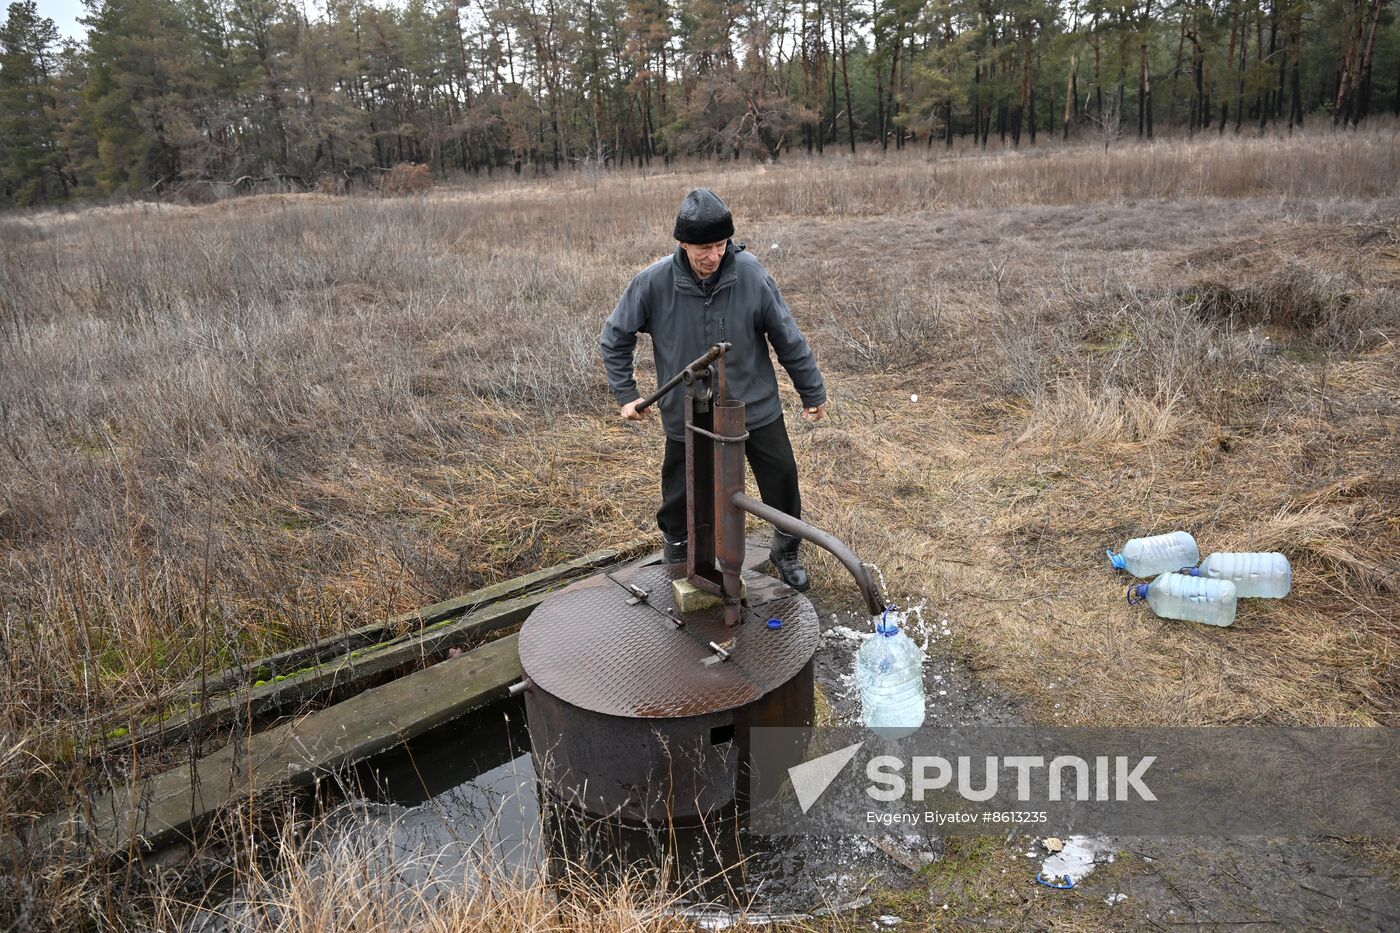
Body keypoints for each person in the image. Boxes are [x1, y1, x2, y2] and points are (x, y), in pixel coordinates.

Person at [599, 187, 829, 591]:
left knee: (782, 478)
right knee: (681, 492)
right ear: (683, 243)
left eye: (721, 244)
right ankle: (679, 550)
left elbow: (787, 336)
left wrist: (812, 391)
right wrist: (626, 394)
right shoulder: (653, 283)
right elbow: (615, 336)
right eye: (704, 247)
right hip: (688, 412)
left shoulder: (752, 275)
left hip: (753, 404)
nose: (714, 255)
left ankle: (785, 550)